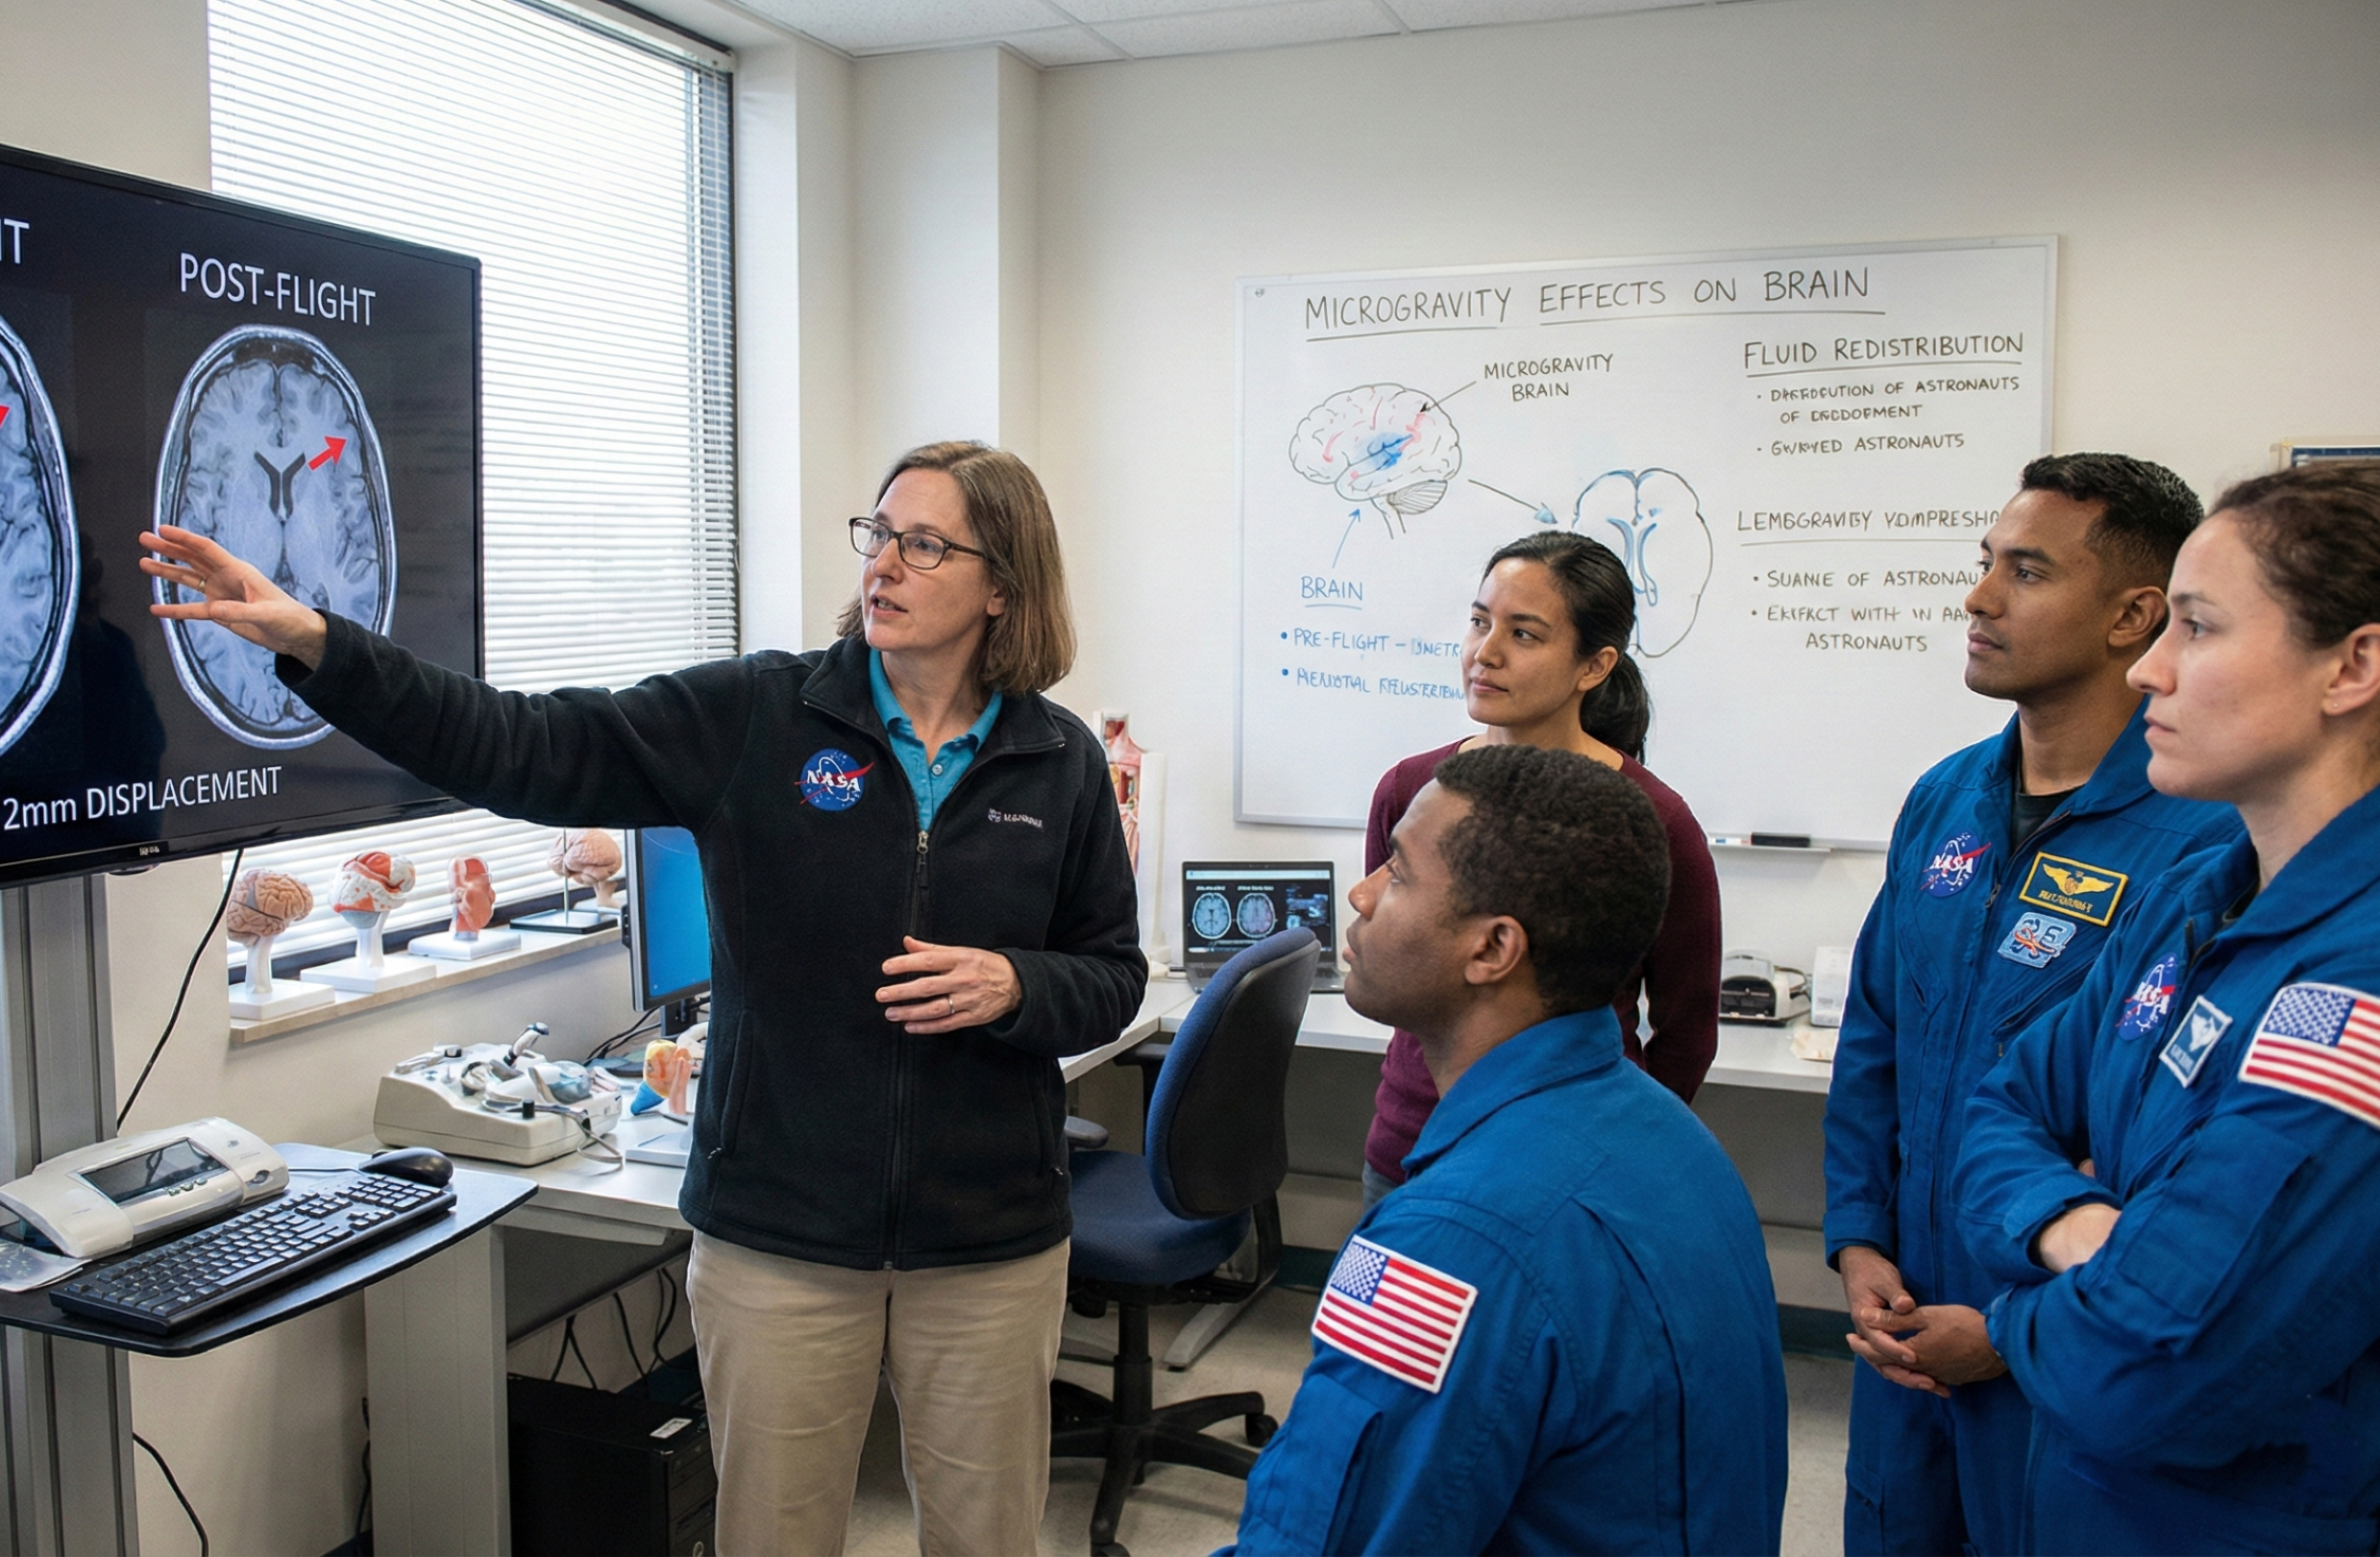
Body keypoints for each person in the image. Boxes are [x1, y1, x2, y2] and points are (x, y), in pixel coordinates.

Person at [141, 440, 1145, 1556]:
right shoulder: (752, 718)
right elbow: (518, 743)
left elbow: (1110, 976)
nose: (884, 566)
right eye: (878, 535)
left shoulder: (1058, 763)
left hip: (990, 1246)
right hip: (781, 1240)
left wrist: (1017, 984)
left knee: (988, 1540)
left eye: (924, 545)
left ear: (1001, 585)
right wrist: (319, 646)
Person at [1953, 460, 2380, 1554]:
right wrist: (2083, 1227)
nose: (2149, 672)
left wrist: (2013, 1312)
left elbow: (2144, 1374)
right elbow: (1997, 1110)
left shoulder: (2357, 983)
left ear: (2356, 666)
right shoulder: (2209, 893)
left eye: (2195, 628)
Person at [1822, 453, 2238, 1554]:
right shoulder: (1946, 797)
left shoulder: (2205, 839)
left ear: (2132, 616)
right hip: (1905, 1321)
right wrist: (1860, 1242)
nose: (1978, 598)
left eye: (2027, 570)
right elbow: (1878, 1036)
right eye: (1983, 564)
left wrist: (2014, 1331)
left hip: (2062, 1339)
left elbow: (2186, 1148)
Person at [1230, 744, 1785, 1554]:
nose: (1361, 892)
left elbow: (1316, 1538)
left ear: (1493, 949)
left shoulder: (1447, 1243)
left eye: (1398, 872)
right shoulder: (1671, 1140)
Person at [1358, 530, 1721, 1210]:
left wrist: (1621, 1140)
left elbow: (1687, 1030)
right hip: (1415, 1139)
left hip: (1575, 1159)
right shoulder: (1411, 790)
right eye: (1478, 622)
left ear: (1594, 665)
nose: (1484, 653)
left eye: (1524, 634)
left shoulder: (1654, 820)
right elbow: (1394, 962)